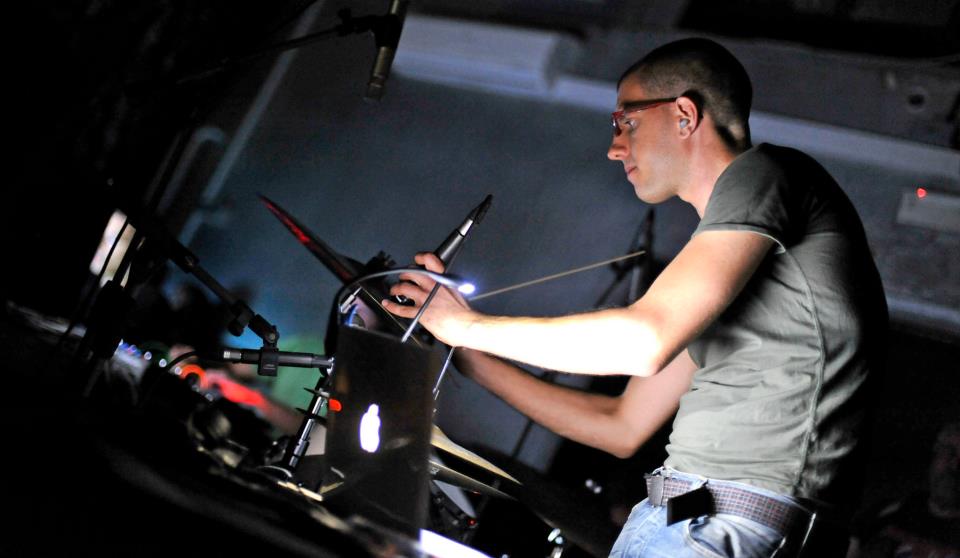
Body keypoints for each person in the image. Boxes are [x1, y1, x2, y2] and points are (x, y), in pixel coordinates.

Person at [382, 38, 887, 557]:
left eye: (626, 122)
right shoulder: (727, 268)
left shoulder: (766, 172)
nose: (615, 147)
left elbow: (645, 342)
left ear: (685, 115)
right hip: (693, 518)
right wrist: (467, 352)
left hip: (724, 525)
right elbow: (621, 426)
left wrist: (464, 325)